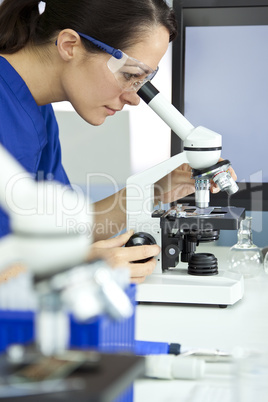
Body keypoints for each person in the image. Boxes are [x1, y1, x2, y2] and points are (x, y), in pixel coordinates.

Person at [0, 0, 236, 283]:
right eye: (129, 75)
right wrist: (76, 268)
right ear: (69, 45)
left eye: (142, 82)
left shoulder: (38, 112)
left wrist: (157, 190)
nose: (134, 97)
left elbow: (63, 229)